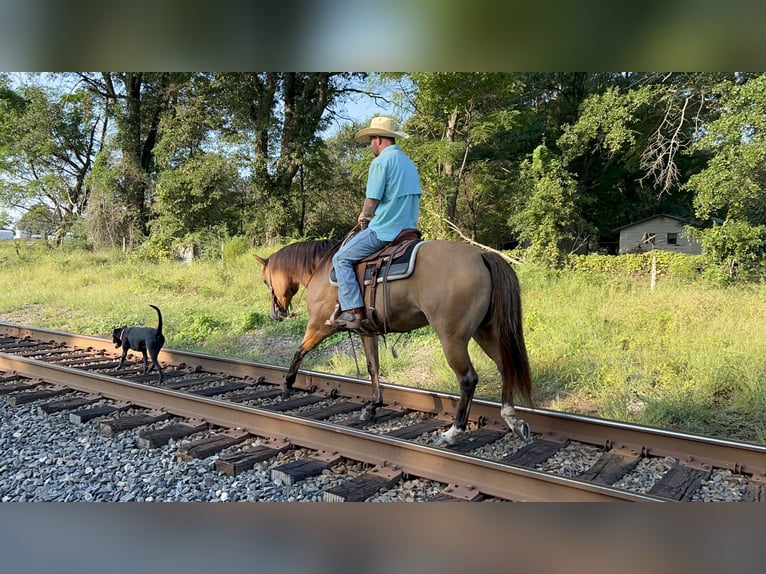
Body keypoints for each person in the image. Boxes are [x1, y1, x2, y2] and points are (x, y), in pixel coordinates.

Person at [328, 116, 422, 330]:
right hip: (409, 229)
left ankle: (353, 310)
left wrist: (365, 214)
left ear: (379, 139)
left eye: (371, 140)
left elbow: (372, 200)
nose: (370, 145)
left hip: (385, 230)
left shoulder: (381, 162)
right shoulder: (409, 163)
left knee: (340, 258)